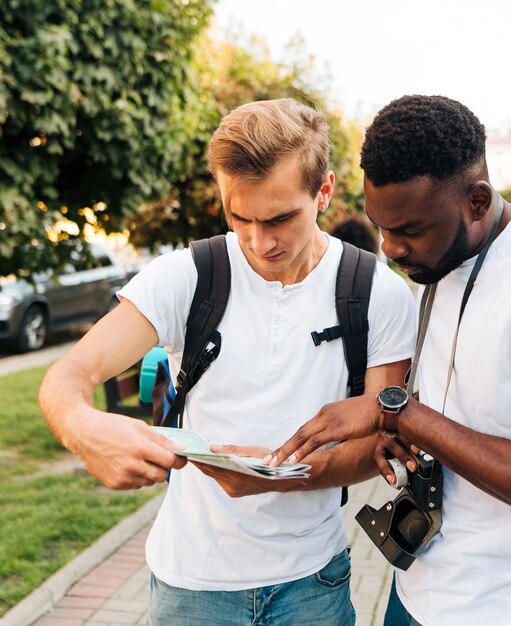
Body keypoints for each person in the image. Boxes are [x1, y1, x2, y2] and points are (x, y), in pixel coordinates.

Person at [38, 98, 416, 626]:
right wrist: (83, 429)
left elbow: (379, 443)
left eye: (281, 218)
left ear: (324, 190)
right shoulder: (187, 276)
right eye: (240, 218)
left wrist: (277, 477)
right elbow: (69, 375)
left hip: (312, 582)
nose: (260, 243)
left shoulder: (379, 294)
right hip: (191, 584)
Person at [268, 95, 511, 626]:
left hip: (504, 610)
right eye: (381, 226)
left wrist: (398, 413)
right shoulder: (441, 258)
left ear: (477, 200)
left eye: (409, 231)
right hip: (417, 586)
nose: (391, 248)